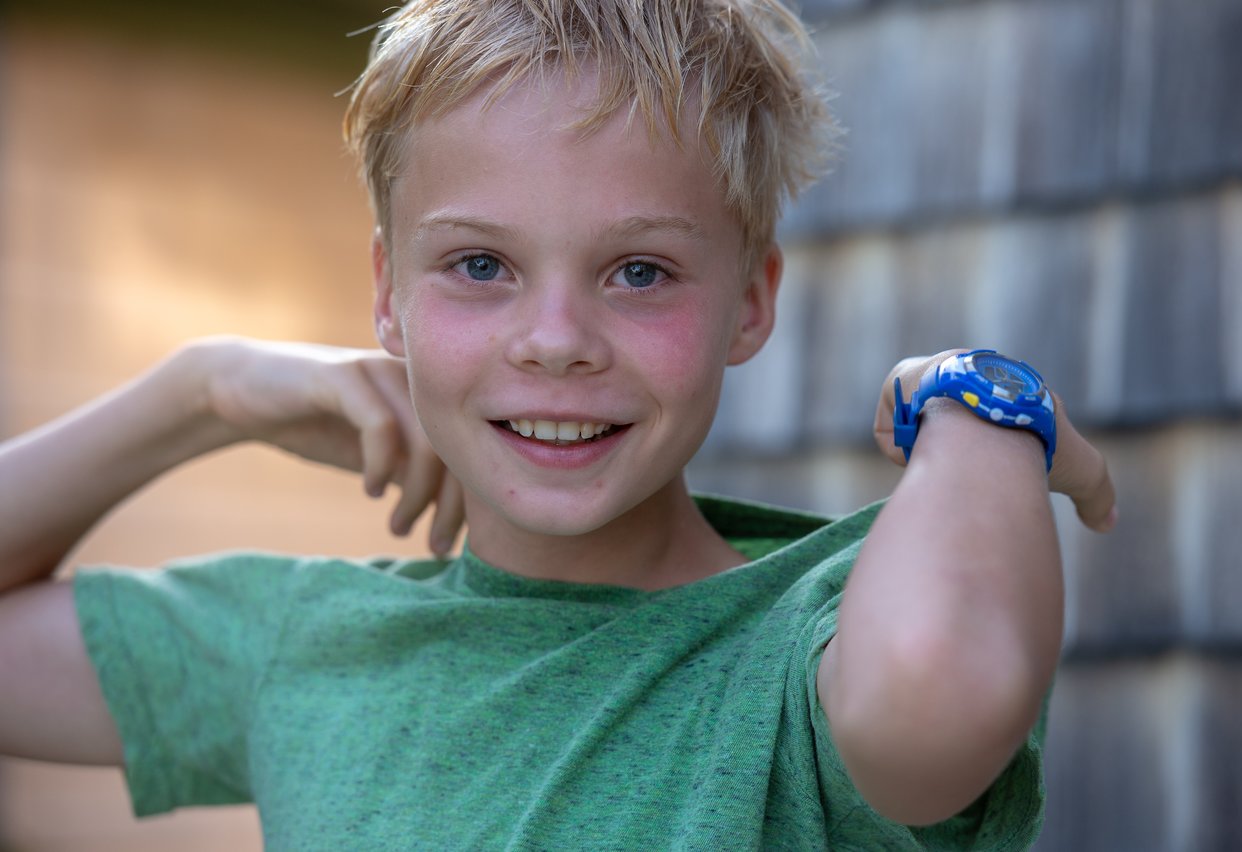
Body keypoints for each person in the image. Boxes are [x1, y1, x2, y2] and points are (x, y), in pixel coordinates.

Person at [0, 0, 1116, 848]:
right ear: (387, 292)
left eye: (638, 271)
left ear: (751, 300)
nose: (554, 338)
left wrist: (977, 407)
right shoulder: (300, 641)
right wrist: (200, 390)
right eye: (479, 264)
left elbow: (939, 689)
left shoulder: (812, 639)